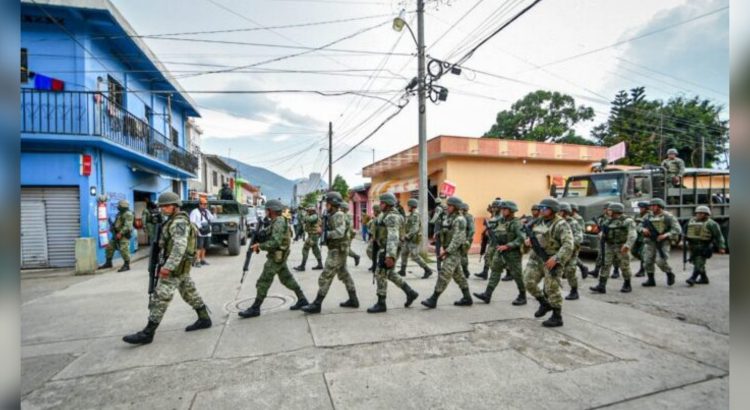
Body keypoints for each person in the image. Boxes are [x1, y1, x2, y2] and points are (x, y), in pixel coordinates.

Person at [122, 192, 211, 345]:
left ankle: (148, 333)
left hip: (175, 268)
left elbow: (179, 247)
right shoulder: (173, 220)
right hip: (181, 268)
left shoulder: (178, 222)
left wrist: (168, 267)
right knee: (190, 293)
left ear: (174, 206)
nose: (162, 209)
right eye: (161, 206)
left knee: (160, 298)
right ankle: (204, 318)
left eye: (165, 206)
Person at [238, 199, 309, 318]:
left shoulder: (279, 222)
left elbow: (275, 242)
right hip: (279, 256)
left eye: (267, 210)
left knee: (263, 281)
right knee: (287, 279)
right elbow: (268, 233)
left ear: (271, 211)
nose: (266, 212)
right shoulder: (276, 221)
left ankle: (255, 308)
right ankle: (302, 299)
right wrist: (258, 236)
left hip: (277, 256)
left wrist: (260, 246)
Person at [301, 192, 360, 314]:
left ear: (332, 204)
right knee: (344, 275)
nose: (326, 205)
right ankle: (353, 300)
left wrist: (324, 233)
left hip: (337, 250)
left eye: (327, 203)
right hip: (337, 249)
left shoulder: (338, 215)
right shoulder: (330, 214)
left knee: (326, 275)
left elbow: (339, 232)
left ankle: (317, 304)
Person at [523, 198, 574, 327]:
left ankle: (557, 316)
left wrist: (557, 258)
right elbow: (533, 235)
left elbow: (568, 244)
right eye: (541, 208)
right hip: (536, 257)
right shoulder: (537, 221)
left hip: (551, 259)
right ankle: (544, 303)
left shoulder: (561, 224)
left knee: (552, 287)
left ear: (553, 210)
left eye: (544, 208)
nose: (541, 210)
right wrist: (528, 241)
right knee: (527, 281)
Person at [367, 193, 420, 313]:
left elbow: (393, 236)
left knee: (380, 274)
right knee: (389, 274)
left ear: (386, 204)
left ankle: (381, 303)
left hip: (389, 248)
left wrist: (390, 255)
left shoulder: (392, 217)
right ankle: (410, 292)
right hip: (385, 247)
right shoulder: (385, 215)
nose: (379, 205)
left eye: (381, 203)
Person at [421, 196, 473, 309]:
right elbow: (447, 230)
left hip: (454, 251)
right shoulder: (449, 218)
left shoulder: (460, 219)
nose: (447, 207)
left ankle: (433, 299)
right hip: (450, 250)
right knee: (459, 276)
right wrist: (438, 233)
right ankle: (467, 298)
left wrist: (446, 251)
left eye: (450, 206)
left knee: (444, 274)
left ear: (455, 207)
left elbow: (457, 239)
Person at [473, 200, 526, 306]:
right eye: (502, 209)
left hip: (512, 253)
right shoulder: (500, 221)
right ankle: (487, 294)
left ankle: (522, 295)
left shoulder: (516, 223)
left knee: (517, 275)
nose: (502, 211)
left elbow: (521, 238)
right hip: (500, 250)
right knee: (495, 272)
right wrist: (489, 232)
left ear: (511, 211)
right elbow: (494, 230)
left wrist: (508, 246)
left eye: (505, 209)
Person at [589, 202, 637, 294]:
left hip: (621, 246)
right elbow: (604, 231)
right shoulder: (608, 220)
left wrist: (627, 245)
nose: (608, 211)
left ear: (616, 211)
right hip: (609, 245)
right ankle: (601, 286)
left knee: (624, 266)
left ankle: (627, 284)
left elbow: (633, 234)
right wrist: (600, 234)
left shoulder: (627, 221)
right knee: (605, 264)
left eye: (610, 210)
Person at [641, 198, 681, 287]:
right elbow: (638, 225)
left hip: (663, 242)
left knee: (660, 261)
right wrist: (642, 229)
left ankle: (669, 273)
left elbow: (677, 229)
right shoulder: (647, 216)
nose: (651, 207)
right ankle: (651, 280)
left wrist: (666, 235)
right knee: (647, 261)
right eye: (651, 205)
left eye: (654, 205)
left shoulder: (668, 216)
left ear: (660, 206)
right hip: (650, 241)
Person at [685, 205, 726, 286]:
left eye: (701, 213)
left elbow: (719, 236)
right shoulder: (692, 221)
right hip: (693, 246)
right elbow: (686, 232)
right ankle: (704, 278)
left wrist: (721, 247)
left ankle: (692, 278)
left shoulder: (712, 224)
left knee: (699, 262)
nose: (698, 215)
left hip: (704, 246)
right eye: (697, 213)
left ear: (706, 214)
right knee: (696, 262)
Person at [399, 198, 433, 279]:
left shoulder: (415, 215)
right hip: (409, 239)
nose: (408, 207)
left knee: (415, 256)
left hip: (412, 239)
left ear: (412, 206)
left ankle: (428, 270)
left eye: (409, 206)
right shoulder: (411, 215)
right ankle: (402, 271)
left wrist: (407, 236)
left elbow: (415, 228)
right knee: (404, 253)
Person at [99, 199, 134, 272]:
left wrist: (120, 233)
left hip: (123, 235)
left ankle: (126, 265)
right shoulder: (119, 213)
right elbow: (117, 223)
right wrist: (113, 228)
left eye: (119, 205)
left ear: (123, 206)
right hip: (116, 234)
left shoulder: (128, 214)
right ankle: (108, 263)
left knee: (124, 249)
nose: (118, 207)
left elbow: (128, 226)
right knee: (109, 247)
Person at [559, 203, 583, 300]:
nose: (558, 213)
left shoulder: (573, 223)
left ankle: (574, 290)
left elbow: (579, 237)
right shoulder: (556, 222)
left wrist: (568, 244)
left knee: (570, 271)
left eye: (560, 211)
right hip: (557, 251)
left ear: (565, 212)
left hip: (571, 251)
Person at [475, 200, 502, 280]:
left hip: (498, 241)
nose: (493, 209)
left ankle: (510, 273)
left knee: (504, 259)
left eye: (495, 207)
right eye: (493, 207)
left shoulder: (501, 218)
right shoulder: (493, 217)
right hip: (491, 241)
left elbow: (501, 229)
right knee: (487, 256)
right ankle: (485, 272)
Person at [293, 206, 324, 271]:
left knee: (305, 249)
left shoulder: (314, 216)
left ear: (312, 211)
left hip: (313, 236)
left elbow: (309, 219)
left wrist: (304, 215)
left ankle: (302, 266)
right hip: (312, 235)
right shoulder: (311, 215)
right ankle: (320, 264)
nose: (307, 212)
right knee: (315, 250)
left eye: (308, 211)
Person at [189, 197, 215, 267]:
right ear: (199, 204)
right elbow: (192, 222)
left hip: (207, 232)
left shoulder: (207, 211)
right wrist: (196, 230)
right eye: (203, 204)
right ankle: (197, 261)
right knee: (199, 247)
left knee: (205, 247)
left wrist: (214, 212)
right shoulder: (195, 212)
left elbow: (212, 219)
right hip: (200, 232)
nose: (205, 206)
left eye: (206, 204)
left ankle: (202, 260)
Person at [570, 204, 590, 278]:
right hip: (569, 238)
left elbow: (582, 229)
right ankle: (582, 267)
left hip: (576, 239)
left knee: (573, 256)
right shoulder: (569, 217)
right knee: (570, 255)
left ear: (574, 210)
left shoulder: (578, 218)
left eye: (571, 209)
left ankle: (582, 267)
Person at [632, 201, 651, 277]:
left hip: (645, 237)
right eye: (640, 207)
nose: (640, 209)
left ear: (646, 208)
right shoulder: (637, 215)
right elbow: (633, 222)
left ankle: (642, 270)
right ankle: (647, 261)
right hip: (637, 236)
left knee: (642, 253)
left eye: (642, 208)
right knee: (634, 252)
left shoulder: (649, 216)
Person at [430, 196, 447, 273]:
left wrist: (430, 222)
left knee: (437, 250)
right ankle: (446, 266)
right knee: (446, 249)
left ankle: (439, 267)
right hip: (445, 231)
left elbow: (435, 217)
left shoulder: (438, 208)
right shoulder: (445, 208)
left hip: (439, 232)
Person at [459, 202, 475, 278]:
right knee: (461, 255)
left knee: (463, 255)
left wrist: (468, 240)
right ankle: (464, 270)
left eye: (461, 209)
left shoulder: (468, 217)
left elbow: (472, 230)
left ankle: (465, 271)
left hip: (466, 239)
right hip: (461, 238)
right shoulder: (461, 216)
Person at [367, 204, 381, 273]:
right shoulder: (376, 218)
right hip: (375, 239)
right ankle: (374, 265)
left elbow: (375, 229)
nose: (373, 212)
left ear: (377, 211)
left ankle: (376, 266)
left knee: (375, 253)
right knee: (373, 253)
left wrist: (373, 238)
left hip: (378, 239)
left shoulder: (379, 218)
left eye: (374, 211)